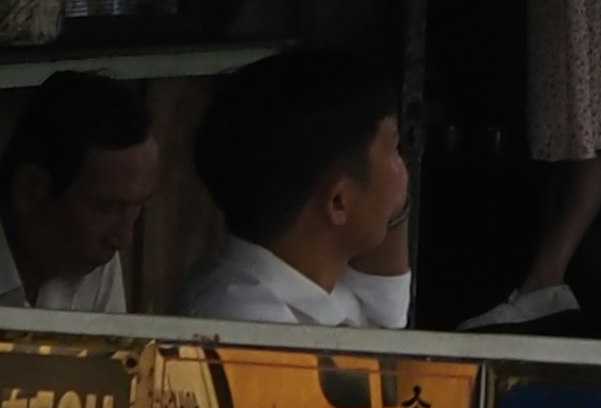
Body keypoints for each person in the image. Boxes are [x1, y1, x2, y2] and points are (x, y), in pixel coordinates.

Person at [187, 48, 415, 328]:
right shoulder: (245, 322)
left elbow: (388, 314)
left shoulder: (327, 290)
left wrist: (390, 202)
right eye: (393, 151)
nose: (404, 172)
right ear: (338, 202)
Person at [0, 71, 156, 314]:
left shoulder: (93, 256)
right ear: (30, 190)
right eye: (105, 208)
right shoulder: (86, 249)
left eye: (135, 209)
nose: (123, 240)